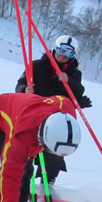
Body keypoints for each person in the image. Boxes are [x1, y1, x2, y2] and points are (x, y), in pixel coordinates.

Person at [0, 93, 81, 202]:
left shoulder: (67, 111)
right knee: (19, 171)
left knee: (27, 171)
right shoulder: (21, 138)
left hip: (23, 113)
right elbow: (9, 179)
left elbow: (61, 98)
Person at [15, 35, 91, 185]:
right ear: (55, 48)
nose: (63, 56)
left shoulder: (74, 73)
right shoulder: (36, 65)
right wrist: (24, 90)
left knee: (57, 143)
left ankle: (48, 178)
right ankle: (22, 176)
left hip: (58, 117)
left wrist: (68, 81)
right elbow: (20, 84)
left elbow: (78, 91)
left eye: (68, 53)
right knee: (28, 142)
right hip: (35, 110)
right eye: (61, 50)